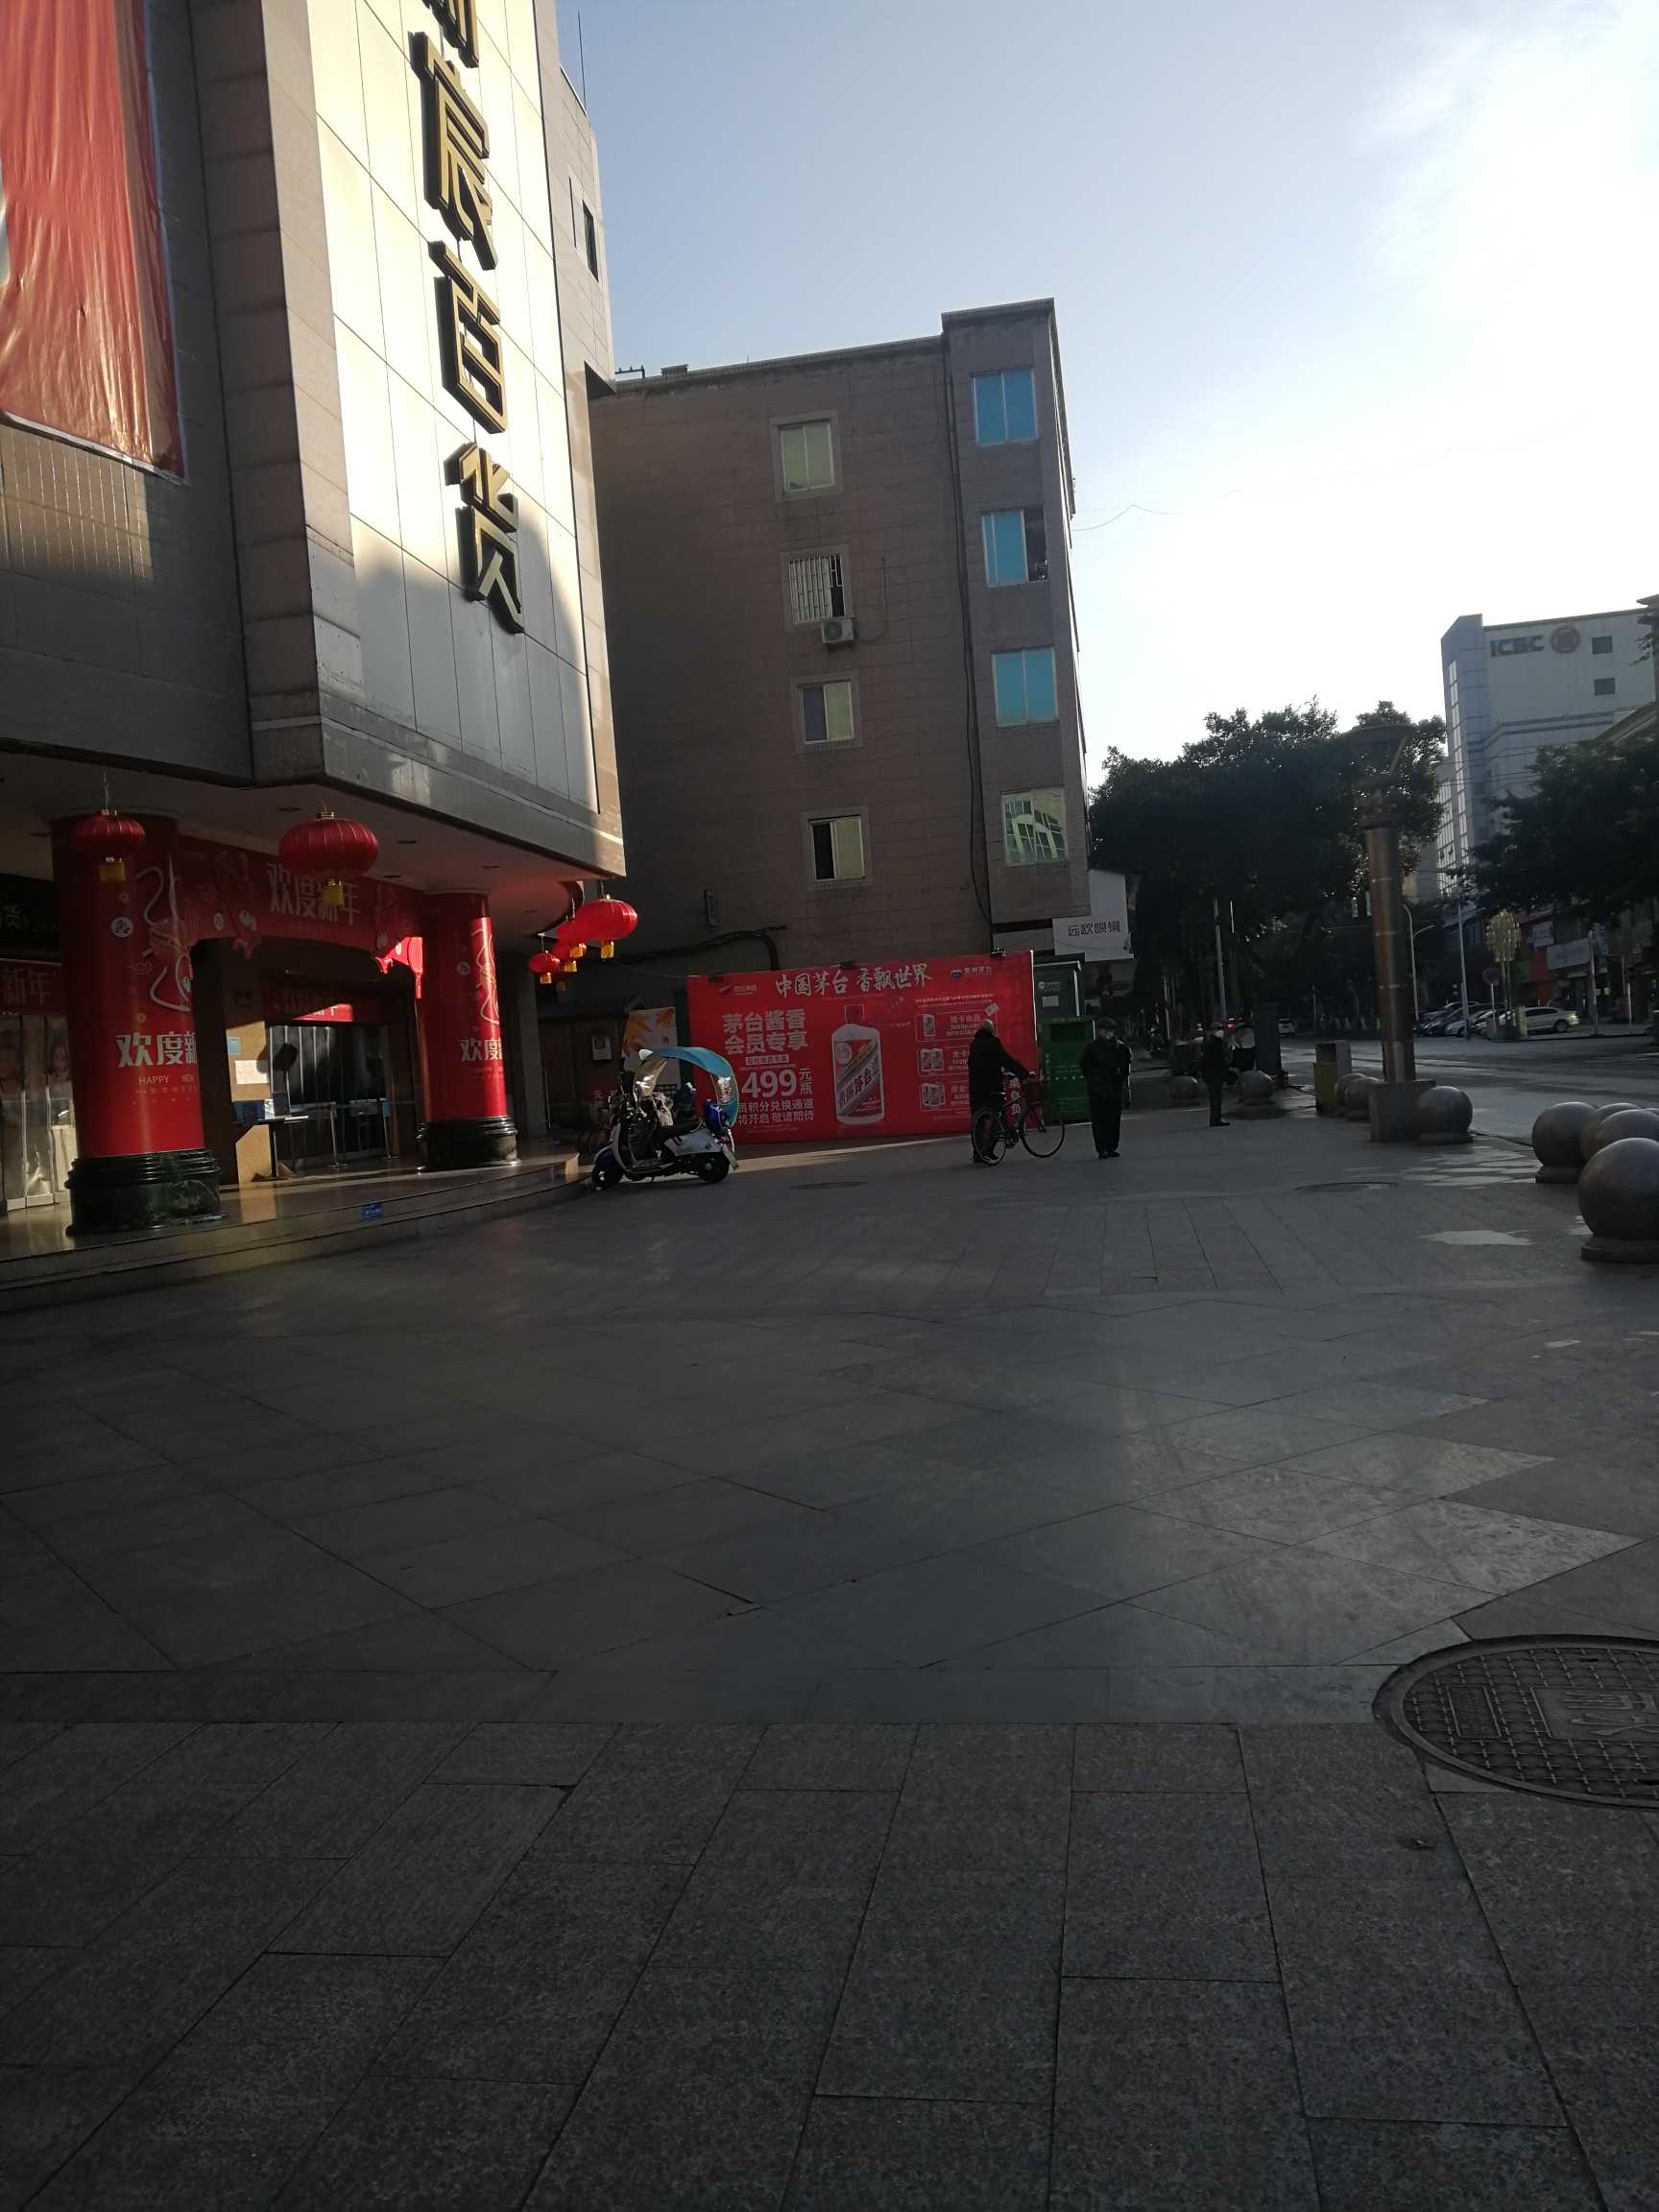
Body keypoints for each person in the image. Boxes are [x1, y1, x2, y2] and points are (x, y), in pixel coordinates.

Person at [967, 1021, 1028, 1163]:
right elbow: (1007, 1061)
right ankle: (988, 1149)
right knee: (997, 1116)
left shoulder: (974, 1045)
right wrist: (1024, 1073)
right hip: (992, 1089)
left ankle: (978, 1153)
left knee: (978, 1122)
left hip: (975, 1090)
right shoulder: (993, 1043)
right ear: (991, 1031)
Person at [1079, 1018, 1133, 1158]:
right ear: (1099, 1031)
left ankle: (1111, 1147)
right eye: (1105, 1030)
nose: (1108, 1033)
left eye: (1110, 1030)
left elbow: (1126, 1066)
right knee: (1099, 1120)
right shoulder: (1091, 1048)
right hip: (1097, 1089)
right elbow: (1084, 1066)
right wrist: (1093, 1079)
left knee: (1113, 1119)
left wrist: (1121, 1079)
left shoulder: (1120, 1048)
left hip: (1114, 1088)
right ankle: (1101, 1148)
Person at [1199, 1026, 1230, 1126]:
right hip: (1214, 1075)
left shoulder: (1214, 1043)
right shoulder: (1214, 1044)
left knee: (1215, 1098)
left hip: (1213, 1075)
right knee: (1216, 1098)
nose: (1221, 1032)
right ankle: (1215, 1120)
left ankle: (1216, 1119)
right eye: (1219, 1030)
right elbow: (1218, 1061)